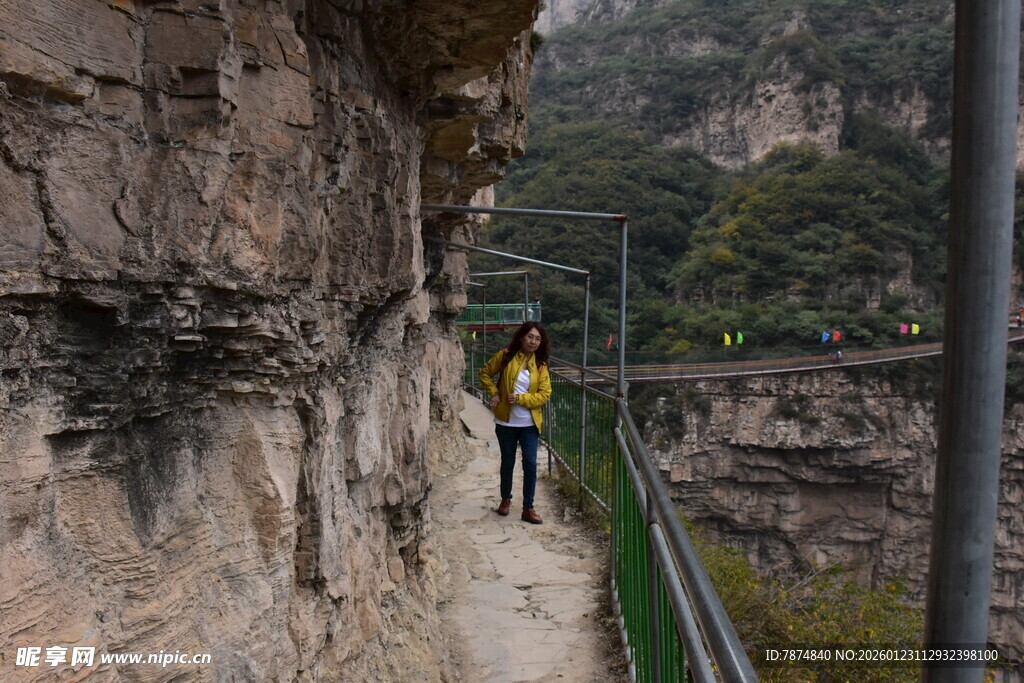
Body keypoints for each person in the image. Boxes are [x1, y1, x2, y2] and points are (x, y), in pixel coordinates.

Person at [478, 322, 552, 524]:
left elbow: (545, 394)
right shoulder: (506, 356)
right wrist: (494, 393)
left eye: (537, 339)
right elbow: (484, 373)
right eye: (530, 337)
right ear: (521, 337)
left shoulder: (540, 365)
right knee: (507, 462)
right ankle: (505, 500)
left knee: (530, 464)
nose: (533, 341)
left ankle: (528, 508)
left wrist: (520, 399)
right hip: (506, 422)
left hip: (529, 423)